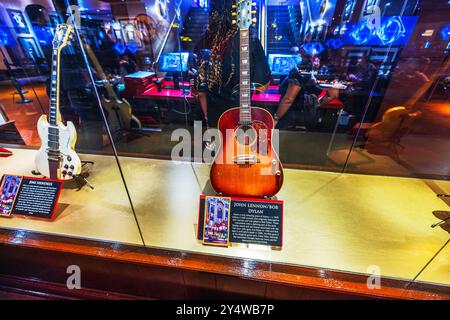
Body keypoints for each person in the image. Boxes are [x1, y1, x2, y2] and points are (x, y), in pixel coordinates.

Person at [195, 8, 271, 127]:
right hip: (240, 114)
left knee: (220, 143)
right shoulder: (253, 43)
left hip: (215, 116)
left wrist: (207, 117)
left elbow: (201, 91)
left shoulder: (209, 44)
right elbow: (264, 87)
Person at [273, 61, 338, 130]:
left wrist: (276, 118)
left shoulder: (300, 72)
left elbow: (288, 99)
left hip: (290, 114)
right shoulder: (323, 73)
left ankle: (269, 139)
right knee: (298, 139)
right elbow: (334, 95)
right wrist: (314, 105)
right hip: (310, 117)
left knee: (269, 136)